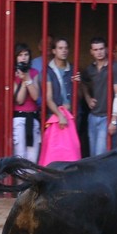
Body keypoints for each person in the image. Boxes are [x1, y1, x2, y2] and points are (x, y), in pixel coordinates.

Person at [39, 37, 81, 165]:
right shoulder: (48, 71)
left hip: (73, 116)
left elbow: (79, 97)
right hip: (55, 117)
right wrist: (60, 115)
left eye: (66, 48)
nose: (64, 51)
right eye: (60, 48)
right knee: (54, 154)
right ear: (54, 51)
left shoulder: (73, 69)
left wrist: (77, 84)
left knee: (73, 152)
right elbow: (48, 98)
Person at [81, 37, 117, 156]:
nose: (99, 52)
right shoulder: (90, 69)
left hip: (107, 117)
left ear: (106, 49)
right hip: (93, 116)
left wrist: (114, 120)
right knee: (93, 154)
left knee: (101, 154)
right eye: (95, 49)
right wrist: (88, 98)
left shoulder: (115, 67)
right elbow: (83, 83)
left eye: (101, 49)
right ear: (91, 51)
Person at [13, 43, 41, 163]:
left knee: (32, 158)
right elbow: (19, 100)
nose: (23, 58)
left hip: (33, 118)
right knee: (20, 157)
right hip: (19, 119)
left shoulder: (34, 72)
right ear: (15, 57)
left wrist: (26, 77)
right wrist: (24, 81)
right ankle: (21, 182)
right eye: (20, 55)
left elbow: (35, 96)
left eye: (26, 54)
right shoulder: (12, 74)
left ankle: (31, 182)